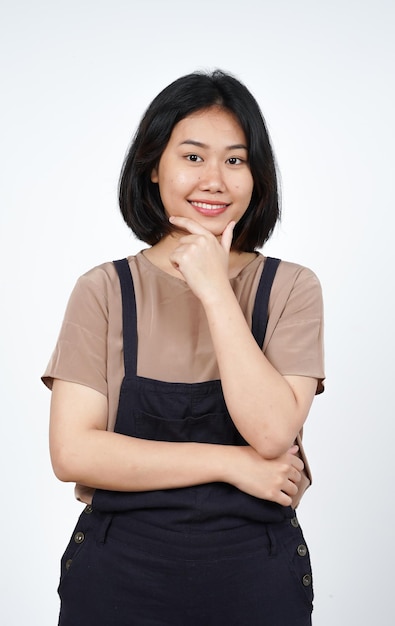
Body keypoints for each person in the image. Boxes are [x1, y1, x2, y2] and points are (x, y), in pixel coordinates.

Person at [42, 69, 324, 626]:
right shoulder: (103, 290)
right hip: (117, 576)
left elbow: (271, 432)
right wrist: (231, 465)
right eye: (192, 157)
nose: (214, 179)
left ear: (257, 175)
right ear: (154, 166)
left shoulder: (292, 288)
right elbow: (72, 453)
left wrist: (217, 291)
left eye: (235, 160)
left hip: (255, 578)